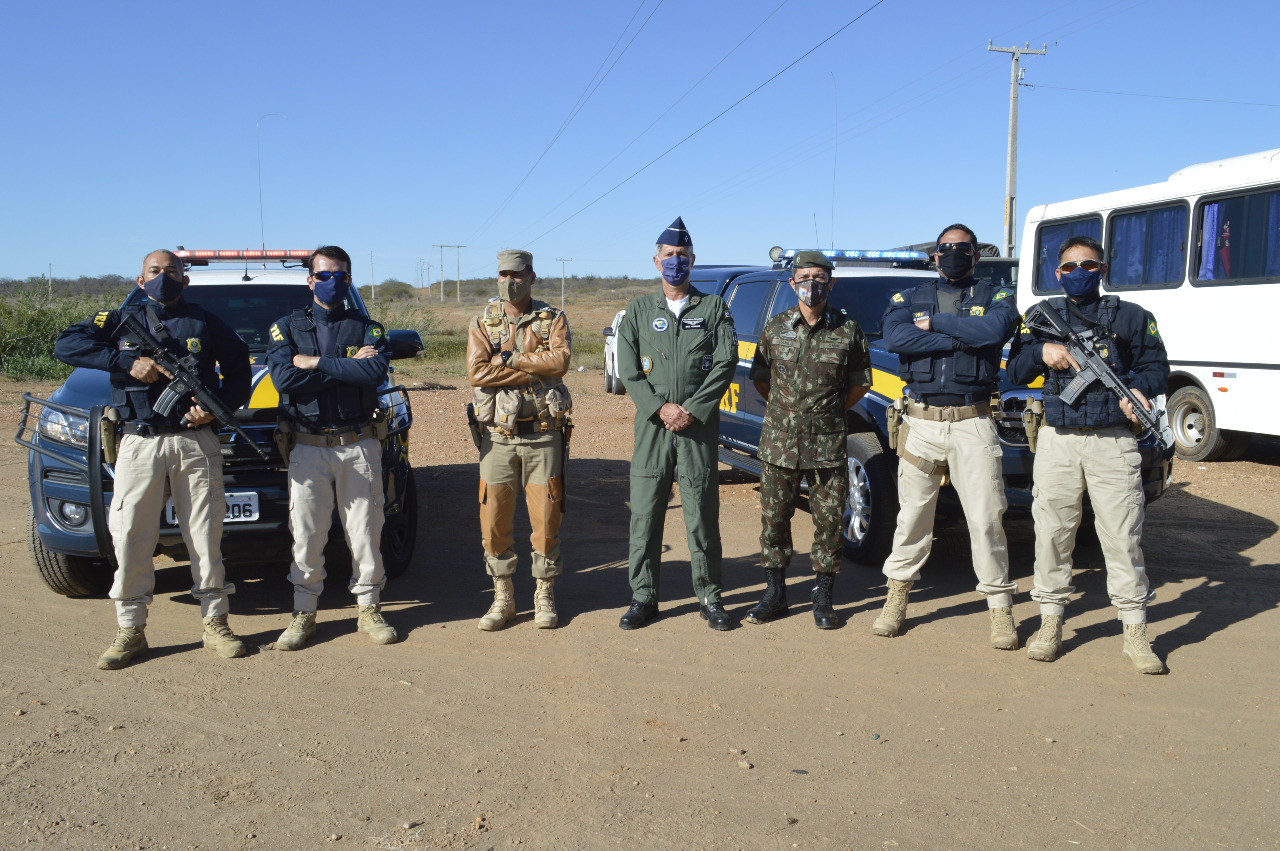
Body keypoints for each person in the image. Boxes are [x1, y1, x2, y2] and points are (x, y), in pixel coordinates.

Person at [54, 249, 252, 670]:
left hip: (195, 442)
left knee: (204, 535)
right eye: (155, 271)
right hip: (139, 442)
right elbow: (67, 344)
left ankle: (215, 623)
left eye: (172, 271)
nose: (165, 277)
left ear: (186, 280)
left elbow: (239, 370)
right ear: (141, 280)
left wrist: (216, 409)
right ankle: (131, 629)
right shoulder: (120, 320)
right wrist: (126, 361)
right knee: (130, 536)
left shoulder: (205, 321)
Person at [1007, 235, 1170, 674]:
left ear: (1102, 269)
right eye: (1070, 267)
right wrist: (1043, 351)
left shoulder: (1132, 317)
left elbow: (1158, 366)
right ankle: (1050, 622)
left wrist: (1139, 388)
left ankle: (1135, 630)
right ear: (1057, 274)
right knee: (1053, 532)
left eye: (1089, 265)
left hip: (1113, 440)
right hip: (1058, 439)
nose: (1079, 273)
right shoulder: (1041, 318)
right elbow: (1014, 371)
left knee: (1122, 535)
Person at [874, 224, 1020, 648]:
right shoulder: (908, 297)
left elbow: (993, 332)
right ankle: (896, 598)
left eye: (963, 248)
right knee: (912, 517)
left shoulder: (996, 296)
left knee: (986, 517)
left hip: (973, 422)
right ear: (935, 255)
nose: (954, 254)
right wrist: (961, 336)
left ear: (976, 255)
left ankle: (999, 609)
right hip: (920, 423)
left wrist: (934, 323)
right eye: (946, 248)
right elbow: (896, 337)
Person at [267, 245, 398, 650]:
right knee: (307, 535)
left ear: (350, 280)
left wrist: (316, 363)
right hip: (307, 445)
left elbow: (374, 372)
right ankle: (304, 614)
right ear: (310, 281)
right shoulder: (285, 328)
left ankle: (369, 608)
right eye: (324, 275)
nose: (332, 282)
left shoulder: (367, 327)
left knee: (365, 532)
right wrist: (345, 367)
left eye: (340, 275)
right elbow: (285, 380)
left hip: (358, 443)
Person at [615, 217, 738, 631]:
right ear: (656, 261)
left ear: (693, 260)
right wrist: (660, 408)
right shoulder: (637, 310)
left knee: (701, 512)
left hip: (697, 427)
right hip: (653, 427)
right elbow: (627, 369)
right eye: (668, 256)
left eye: (682, 256)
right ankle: (643, 597)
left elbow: (725, 364)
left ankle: (710, 596)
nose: (675, 262)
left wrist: (692, 409)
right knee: (645, 514)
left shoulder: (714, 308)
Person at [745, 250, 872, 629]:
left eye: (819, 277)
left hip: (827, 444)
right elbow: (761, 378)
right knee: (774, 521)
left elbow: (859, 385)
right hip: (779, 443)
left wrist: (824, 412)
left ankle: (823, 597)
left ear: (831, 283)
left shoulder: (847, 330)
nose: (811, 284)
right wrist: (790, 411)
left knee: (829, 523)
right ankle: (775, 593)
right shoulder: (775, 328)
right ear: (792, 283)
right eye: (804, 277)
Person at [466, 249, 572, 631]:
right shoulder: (483, 322)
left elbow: (560, 363)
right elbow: (477, 373)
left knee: (546, 519)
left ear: (532, 277)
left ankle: (544, 594)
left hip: (544, 436)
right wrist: (532, 367)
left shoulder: (552, 318)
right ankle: (503, 596)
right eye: (502, 275)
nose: (509, 281)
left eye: (516, 274)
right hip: (497, 438)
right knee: (493, 520)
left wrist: (508, 361)